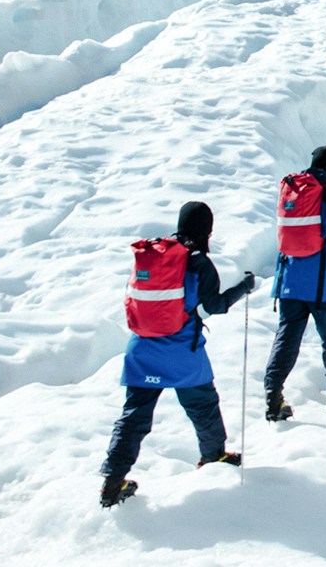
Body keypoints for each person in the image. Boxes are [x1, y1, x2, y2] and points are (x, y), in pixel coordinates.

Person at [100, 201, 256, 508]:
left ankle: (112, 480)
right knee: (203, 404)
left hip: (142, 348)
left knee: (134, 416)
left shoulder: (156, 254)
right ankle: (214, 455)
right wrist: (244, 287)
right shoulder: (198, 263)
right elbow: (215, 306)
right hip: (180, 351)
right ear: (207, 230)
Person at [263, 145, 326, 421]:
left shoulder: (292, 189)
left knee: (287, 336)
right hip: (321, 283)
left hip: (289, 279)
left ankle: (273, 393)